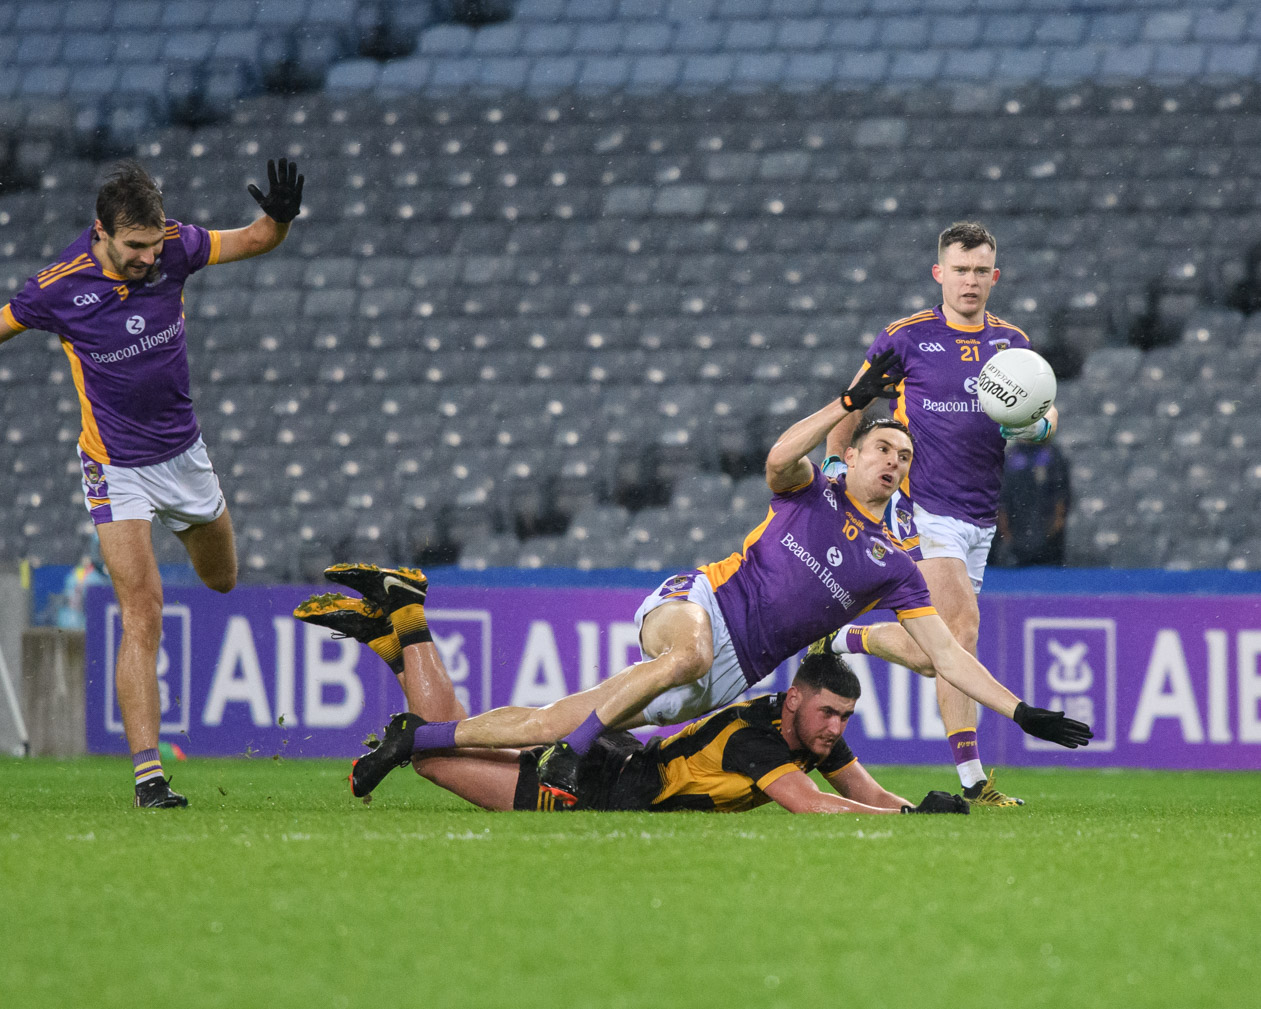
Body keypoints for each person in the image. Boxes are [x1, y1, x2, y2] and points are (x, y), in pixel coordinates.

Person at [301, 374, 1090, 803]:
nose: (890, 460)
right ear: (852, 457)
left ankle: (419, 739)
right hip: (695, 607)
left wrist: (1019, 711)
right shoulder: (809, 489)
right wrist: (845, 407)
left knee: (545, 719)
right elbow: (779, 455)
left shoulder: (893, 563)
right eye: (880, 446)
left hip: (723, 675)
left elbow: (945, 655)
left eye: (901, 456)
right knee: (677, 658)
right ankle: (571, 758)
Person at [0, 158, 304, 807]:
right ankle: (149, 777)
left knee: (223, 578)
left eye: (153, 241)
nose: (147, 256)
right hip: (115, 467)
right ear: (101, 234)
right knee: (143, 611)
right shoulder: (60, 286)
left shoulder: (176, 247)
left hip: (185, 456)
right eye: (134, 246)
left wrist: (278, 218)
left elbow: (254, 239)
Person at [296, 589, 969, 816]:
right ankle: (406, 632)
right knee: (436, 759)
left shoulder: (801, 726)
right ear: (795, 698)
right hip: (601, 790)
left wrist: (915, 810)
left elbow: (861, 790)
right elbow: (816, 804)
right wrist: (910, 825)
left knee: (457, 741)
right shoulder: (760, 740)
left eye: (844, 719)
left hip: (618, 759)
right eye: (829, 714)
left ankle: (401, 641)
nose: (835, 729)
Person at [821, 221, 1062, 807]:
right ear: (940, 273)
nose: (971, 281)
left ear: (995, 277)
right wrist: (833, 468)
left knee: (941, 656)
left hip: (979, 516)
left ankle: (846, 638)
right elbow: (850, 402)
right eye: (960, 269)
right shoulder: (907, 337)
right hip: (921, 508)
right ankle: (974, 782)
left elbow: (1050, 415)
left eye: (981, 271)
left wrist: (1038, 425)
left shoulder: (1013, 344)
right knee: (963, 629)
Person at [994, 440, 1071, 567]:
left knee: (1049, 575)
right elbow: (1002, 497)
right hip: (1016, 536)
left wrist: (1057, 521)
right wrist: (1004, 527)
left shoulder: (1052, 455)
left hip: (1048, 535)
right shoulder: (1010, 457)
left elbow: (1061, 494)